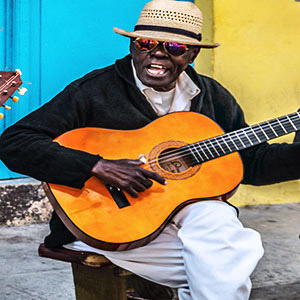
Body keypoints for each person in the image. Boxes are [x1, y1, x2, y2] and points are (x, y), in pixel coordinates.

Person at [1, 0, 300, 299]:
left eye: (174, 46)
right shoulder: (94, 90)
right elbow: (16, 142)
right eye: (146, 43)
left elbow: (252, 163)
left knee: (223, 231)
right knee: (228, 265)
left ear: (193, 54)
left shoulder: (213, 97)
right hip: (107, 220)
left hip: (186, 213)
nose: (157, 53)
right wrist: (98, 166)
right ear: (133, 46)